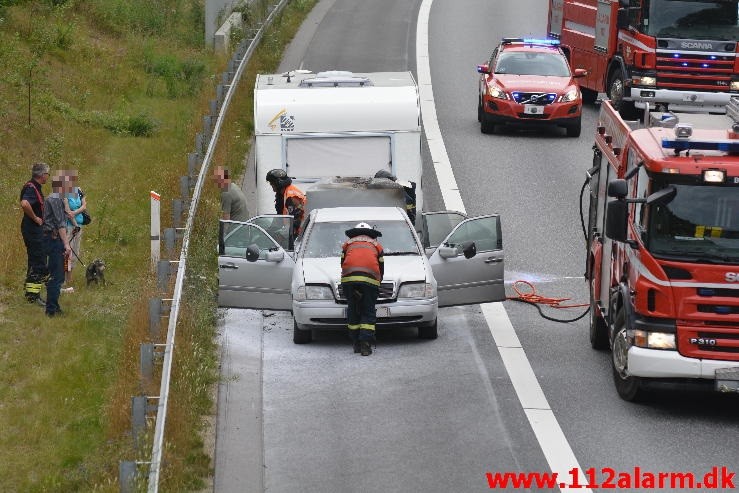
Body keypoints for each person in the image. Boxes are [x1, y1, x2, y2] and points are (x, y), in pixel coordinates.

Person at [340, 222, 384, 356]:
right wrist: (378, 281)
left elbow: (342, 264)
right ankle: (365, 344)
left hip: (349, 280)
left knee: (353, 309)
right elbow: (381, 267)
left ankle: (356, 344)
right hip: (369, 280)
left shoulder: (347, 244)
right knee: (368, 310)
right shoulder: (376, 245)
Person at [42, 171, 72, 317]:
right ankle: (51, 310)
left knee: (55, 273)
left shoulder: (55, 198)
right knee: (57, 276)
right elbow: (60, 224)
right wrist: (67, 245)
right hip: (54, 240)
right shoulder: (55, 199)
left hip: (50, 238)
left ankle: (55, 306)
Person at [20, 162, 50, 303]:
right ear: (43, 175)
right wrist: (36, 218)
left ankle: (30, 292)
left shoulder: (35, 187)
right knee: (38, 261)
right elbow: (25, 204)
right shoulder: (31, 188)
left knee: (35, 260)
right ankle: (33, 296)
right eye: (47, 174)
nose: (48, 177)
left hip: (34, 230)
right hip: (32, 230)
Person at [62, 170, 87, 293]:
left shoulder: (79, 190)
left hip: (79, 225)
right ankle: (66, 280)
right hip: (69, 227)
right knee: (68, 253)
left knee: (76, 251)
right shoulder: (64, 194)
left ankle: (69, 279)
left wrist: (76, 213)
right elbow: (67, 212)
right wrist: (75, 225)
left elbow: (84, 206)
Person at [265, 169, 306, 237]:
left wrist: (282, 236)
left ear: (278, 183)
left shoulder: (291, 197)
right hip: (292, 231)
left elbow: (295, 222)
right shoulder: (281, 195)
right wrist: (268, 232)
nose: (270, 185)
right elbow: (279, 217)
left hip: (300, 235)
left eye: (271, 183)